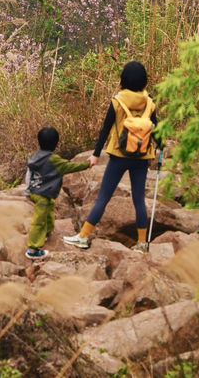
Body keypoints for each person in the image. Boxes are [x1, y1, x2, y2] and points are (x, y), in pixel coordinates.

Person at [63, 60, 157, 253]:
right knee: (139, 200)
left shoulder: (117, 101)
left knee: (103, 198)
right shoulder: (150, 103)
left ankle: (83, 236)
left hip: (118, 156)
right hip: (141, 158)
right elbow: (157, 131)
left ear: (124, 79)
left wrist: (95, 155)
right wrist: (161, 149)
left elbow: (105, 130)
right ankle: (141, 243)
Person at [25, 126, 90, 259]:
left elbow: (29, 173)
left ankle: (47, 231)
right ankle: (33, 249)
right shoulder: (54, 160)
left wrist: (27, 190)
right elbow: (70, 166)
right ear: (57, 143)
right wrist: (88, 163)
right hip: (43, 194)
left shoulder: (35, 155)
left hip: (36, 191)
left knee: (49, 210)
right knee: (39, 220)